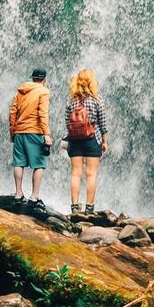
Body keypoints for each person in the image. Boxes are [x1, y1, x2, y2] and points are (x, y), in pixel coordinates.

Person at [64, 68, 108, 215]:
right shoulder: (97, 100)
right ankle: (89, 208)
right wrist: (104, 141)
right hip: (92, 139)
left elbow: (67, 122)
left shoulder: (71, 101)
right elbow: (103, 123)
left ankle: (75, 206)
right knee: (91, 174)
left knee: (76, 174)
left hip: (75, 140)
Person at [8, 67, 52, 213]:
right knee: (39, 164)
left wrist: (13, 131)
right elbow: (42, 114)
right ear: (44, 79)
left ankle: (18, 194)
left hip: (20, 132)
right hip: (35, 132)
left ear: (32, 78)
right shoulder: (44, 91)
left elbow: (13, 111)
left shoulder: (21, 90)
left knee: (19, 162)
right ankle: (34, 196)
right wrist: (46, 134)